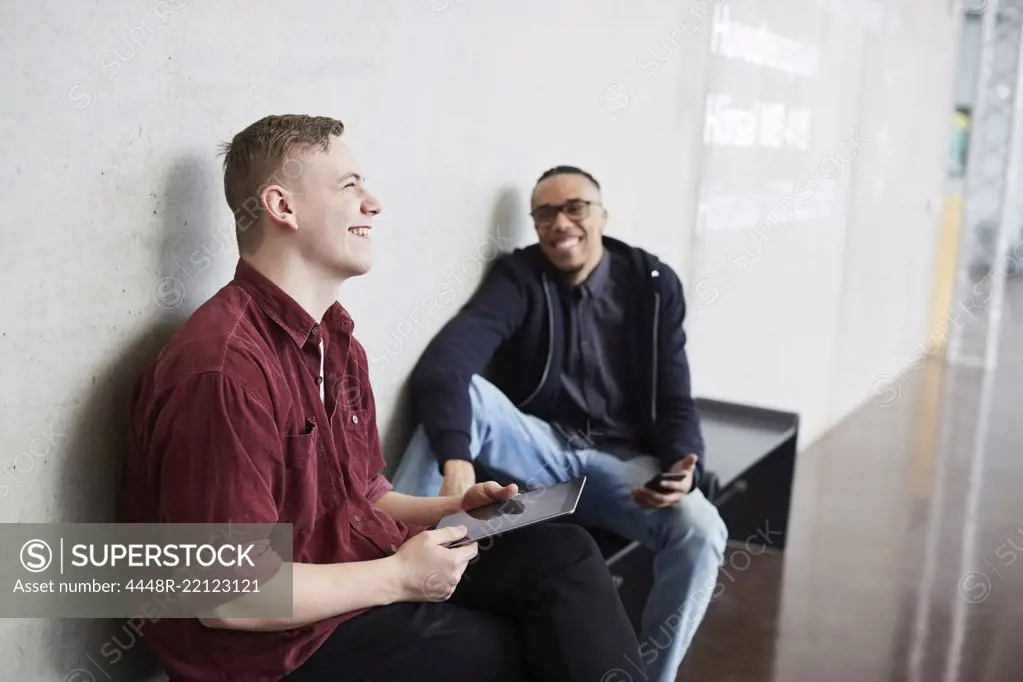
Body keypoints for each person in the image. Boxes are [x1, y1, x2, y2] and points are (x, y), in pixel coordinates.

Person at [117, 116, 640, 682]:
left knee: (566, 556)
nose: (374, 203)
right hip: (273, 654)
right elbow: (230, 596)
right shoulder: (221, 370)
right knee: (508, 651)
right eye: (349, 185)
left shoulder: (337, 343)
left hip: (348, 573)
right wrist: (398, 577)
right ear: (282, 207)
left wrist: (448, 511)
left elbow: (364, 491)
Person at [390, 165, 729, 682]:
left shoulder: (652, 285)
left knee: (703, 532)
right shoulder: (521, 276)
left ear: (602, 215)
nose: (561, 223)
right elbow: (446, 365)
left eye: (576, 208)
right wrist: (455, 461)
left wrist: (684, 464)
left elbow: (676, 397)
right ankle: (389, 552)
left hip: (623, 466)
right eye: (545, 213)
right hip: (541, 451)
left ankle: (653, 674)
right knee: (470, 394)